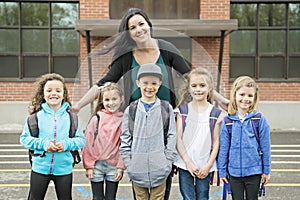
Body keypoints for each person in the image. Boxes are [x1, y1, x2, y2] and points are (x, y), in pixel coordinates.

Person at [70, 7, 228, 199]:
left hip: (163, 121)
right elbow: (103, 84)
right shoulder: (126, 57)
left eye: (141, 24)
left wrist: (220, 100)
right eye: (132, 27)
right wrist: (78, 105)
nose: (138, 29)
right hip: (139, 124)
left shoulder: (167, 49)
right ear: (128, 33)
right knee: (142, 183)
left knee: (162, 182)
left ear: (149, 25)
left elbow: (191, 77)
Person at [20, 73, 86, 200]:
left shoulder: (72, 118)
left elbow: (81, 140)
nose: (53, 93)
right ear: (43, 94)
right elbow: (24, 139)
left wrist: (66, 144)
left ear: (63, 94)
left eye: (58, 90)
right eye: (49, 90)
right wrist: (44, 145)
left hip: (64, 169)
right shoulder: (35, 118)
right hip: (40, 168)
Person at [119, 63, 177, 200]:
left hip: (160, 169)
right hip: (137, 169)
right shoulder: (131, 109)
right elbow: (125, 138)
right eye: (145, 83)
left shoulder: (166, 108)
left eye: (154, 83)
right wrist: (129, 163)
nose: (149, 87)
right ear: (138, 83)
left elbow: (172, 135)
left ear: (160, 84)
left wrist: (167, 162)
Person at [174, 67, 226, 200]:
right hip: (185, 164)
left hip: (205, 165)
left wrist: (208, 165)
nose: (198, 89)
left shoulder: (215, 114)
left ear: (209, 89)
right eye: (194, 86)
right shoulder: (183, 111)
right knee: (187, 197)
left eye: (202, 85)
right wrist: (188, 162)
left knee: (203, 196)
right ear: (189, 89)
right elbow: (178, 139)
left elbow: (216, 142)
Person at [217, 76, 271, 200]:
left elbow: (266, 148)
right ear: (234, 95)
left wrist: (266, 170)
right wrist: (222, 170)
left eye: (250, 96)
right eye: (242, 94)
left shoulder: (259, 120)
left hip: (254, 172)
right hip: (234, 173)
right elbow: (224, 149)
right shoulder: (228, 122)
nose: (245, 99)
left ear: (255, 98)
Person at [82, 82, 126, 200]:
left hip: (114, 166)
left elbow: (125, 145)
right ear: (102, 101)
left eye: (114, 99)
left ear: (121, 99)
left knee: (111, 198)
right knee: (97, 198)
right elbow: (88, 143)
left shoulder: (124, 119)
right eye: (107, 100)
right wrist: (89, 166)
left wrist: (121, 167)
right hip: (96, 165)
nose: (111, 103)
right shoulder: (97, 118)